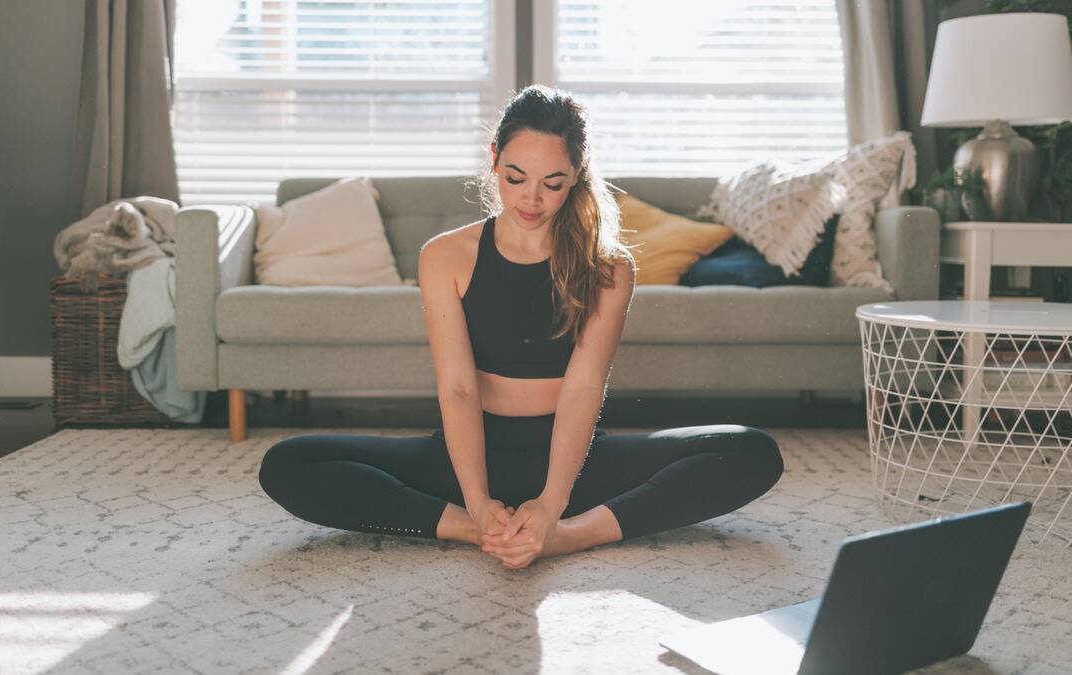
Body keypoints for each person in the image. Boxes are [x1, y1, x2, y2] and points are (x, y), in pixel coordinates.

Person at [258, 85, 784, 570]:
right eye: (515, 178)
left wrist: (554, 507)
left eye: (552, 183)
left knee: (751, 451)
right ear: (494, 161)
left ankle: (573, 536)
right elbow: (459, 386)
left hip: (572, 460)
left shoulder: (610, 267)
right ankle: (470, 531)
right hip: (467, 456)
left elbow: (584, 386)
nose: (531, 200)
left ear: (576, 174)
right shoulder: (444, 256)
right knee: (289, 464)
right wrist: (479, 504)